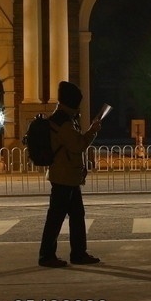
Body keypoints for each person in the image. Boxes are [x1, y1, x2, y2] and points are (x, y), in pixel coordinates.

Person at [38, 81, 102, 267]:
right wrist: (92, 131)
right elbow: (78, 146)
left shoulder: (60, 119)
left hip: (67, 175)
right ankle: (47, 255)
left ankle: (78, 253)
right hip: (64, 177)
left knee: (75, 214)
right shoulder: (63, 123)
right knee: (57, 217)